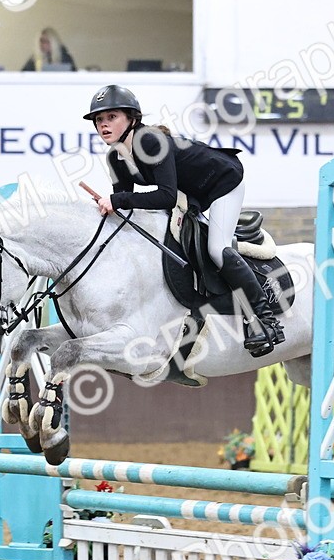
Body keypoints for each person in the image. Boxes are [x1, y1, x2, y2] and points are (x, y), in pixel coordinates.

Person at [84, 84, 284, 356]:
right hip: (192, 195)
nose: (104, 125)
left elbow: (165, 196)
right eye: (99, 120)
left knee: (217, 248)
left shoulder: (150, 141)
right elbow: (126, 205)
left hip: (223, 182)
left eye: (112, 117)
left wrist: (117, 201)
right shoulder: (115, 158)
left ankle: (265, 319)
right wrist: (109, 206)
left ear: (132, 119)